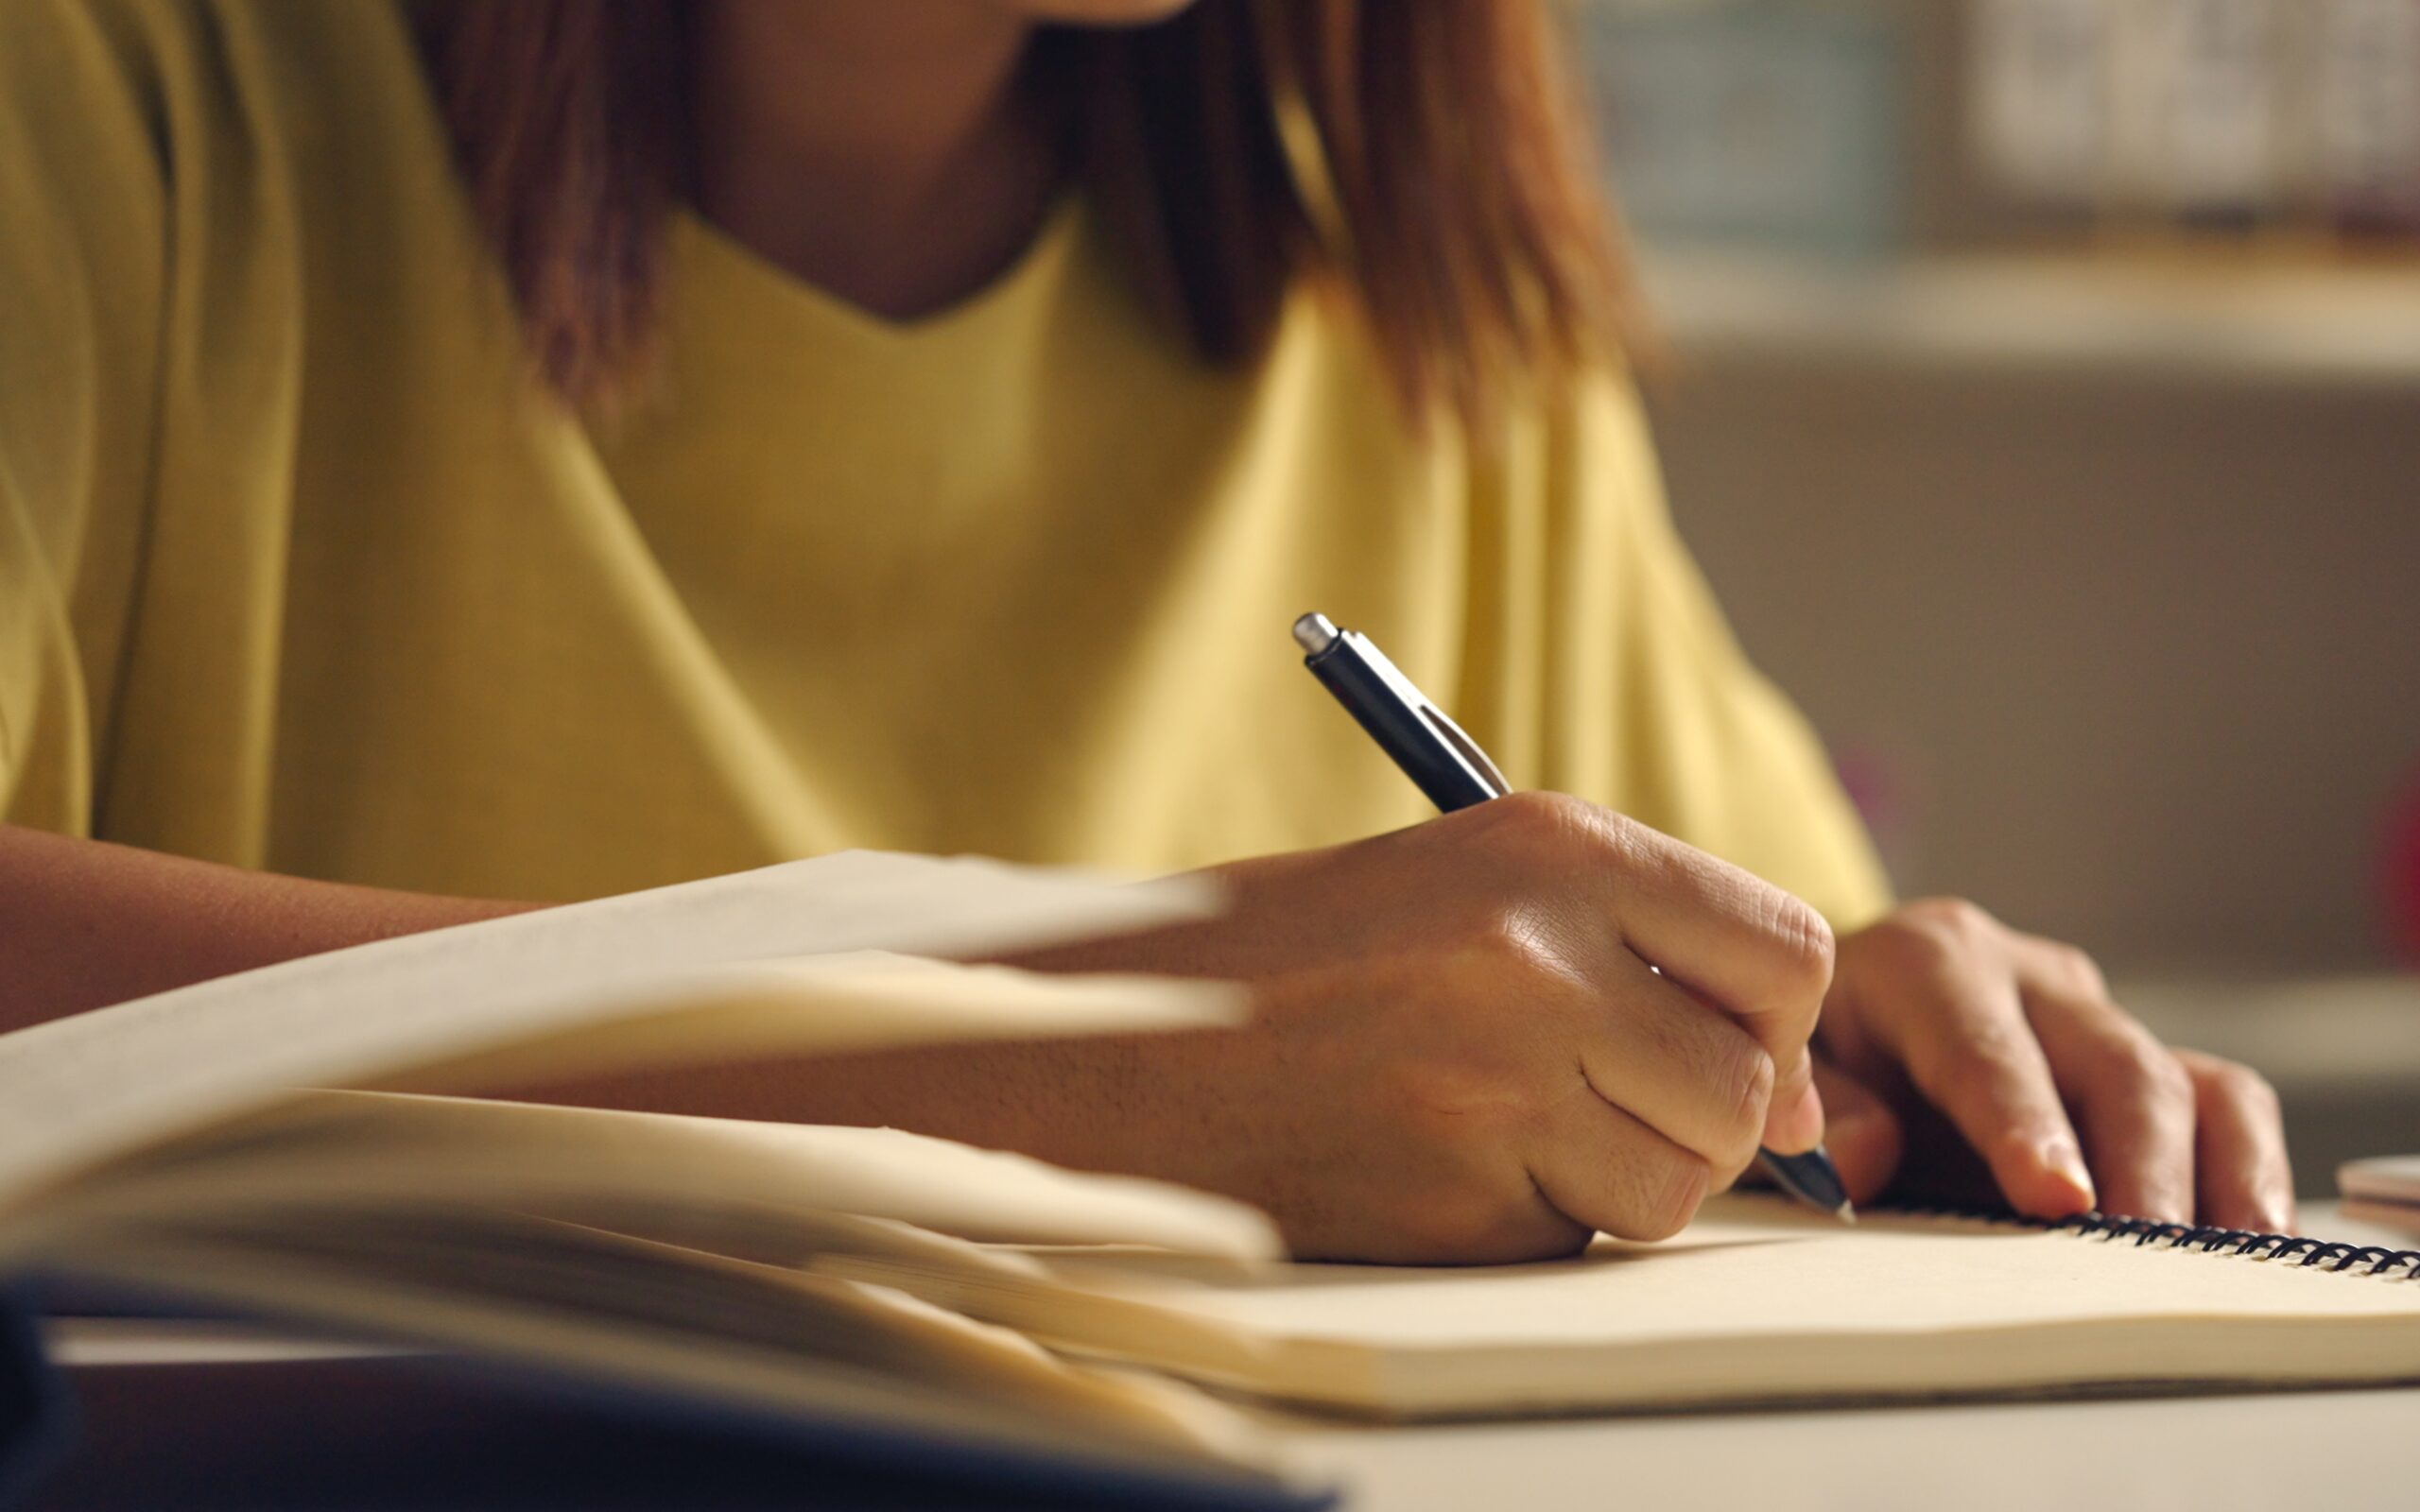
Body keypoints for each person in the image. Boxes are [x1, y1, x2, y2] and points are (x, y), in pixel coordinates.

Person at [0, 0, 2291, 1263]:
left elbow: (1770, 995)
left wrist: (1884, 1020)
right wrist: (1093, 1069)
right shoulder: (111, 103)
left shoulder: (1412, 311)